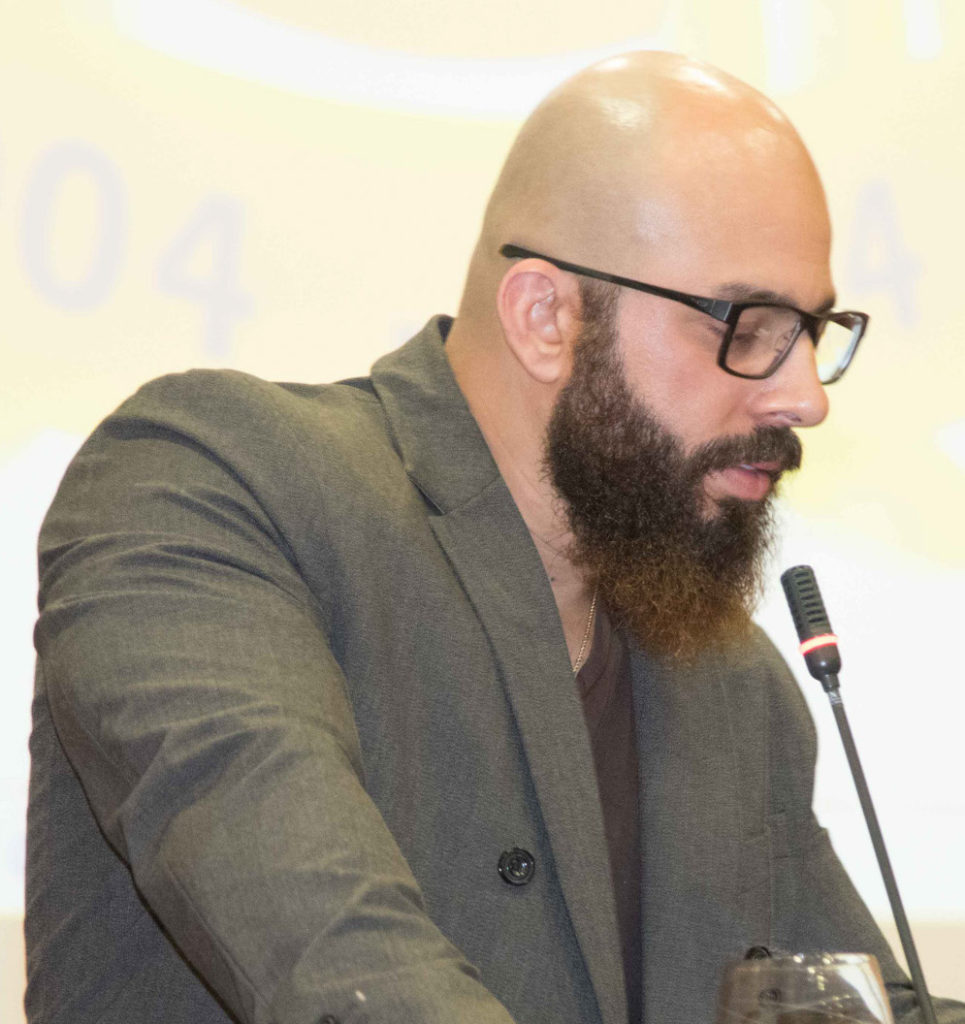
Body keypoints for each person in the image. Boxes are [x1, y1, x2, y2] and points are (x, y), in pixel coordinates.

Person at [25, 51, 962, 1024]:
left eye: (812, 330)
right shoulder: (215, 484)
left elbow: (853, 1006)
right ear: (545, 316)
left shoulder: (730, 677)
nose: (804, 396)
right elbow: (345, 969)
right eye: (751, 324)